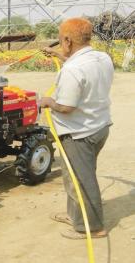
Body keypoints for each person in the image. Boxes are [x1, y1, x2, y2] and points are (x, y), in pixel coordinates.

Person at [40, 17, 114, 240]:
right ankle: (76, 215)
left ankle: (92, 228)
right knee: (75, 177)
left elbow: (65, 106)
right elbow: (79, 70)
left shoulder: (73, 69)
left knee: (81, 180)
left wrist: (47, 102)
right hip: (99, 126)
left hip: (79, 134)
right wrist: (56, 55)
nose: (61, 44)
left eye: (62, 41)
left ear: (68, 41)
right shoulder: (102, 58)